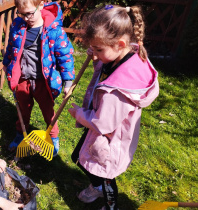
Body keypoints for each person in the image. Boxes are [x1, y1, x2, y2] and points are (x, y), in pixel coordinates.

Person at [68, 5, 159, 210]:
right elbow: (107, 68)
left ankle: (110, 205)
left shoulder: (116, 92)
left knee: (106, 173)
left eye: (99, 49)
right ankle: (97, 186)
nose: (96, 53)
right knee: (78, 157)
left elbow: (103, 124)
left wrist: (78, 114)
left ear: (120, 43)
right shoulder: (127, 55)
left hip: (111, 138)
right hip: (105, 129)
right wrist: (98, 58)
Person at [2, 0, 75, 156]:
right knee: (22, 109)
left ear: (40, 5)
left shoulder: (54, 30)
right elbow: (11, 46)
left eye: (29, 13)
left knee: (47, 110)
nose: (26, 18)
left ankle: (53, 137)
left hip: (44, 80)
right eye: (21, 14)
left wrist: (68, 81)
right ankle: (20, 133)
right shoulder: (18, 25)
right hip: (23, 78)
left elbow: (65, 56)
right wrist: (6, 63)